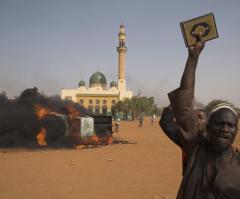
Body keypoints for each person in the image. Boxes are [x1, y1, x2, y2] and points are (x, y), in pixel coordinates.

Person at [167, 35, 240, 198]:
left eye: (230, 125)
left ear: (236, 130)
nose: (225, 129)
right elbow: (185, 104)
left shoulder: (238, 163)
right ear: (207, 126)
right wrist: (193, 57)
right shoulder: (196, 147)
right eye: (219, 123)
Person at [160, 105, 207, 175]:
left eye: (200, 117)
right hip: (189, 181)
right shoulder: (186, 138)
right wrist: (176, 102)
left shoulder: (215, 139)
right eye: (194, 117)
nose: (197, 120)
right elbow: (165, 122)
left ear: (208, 121)